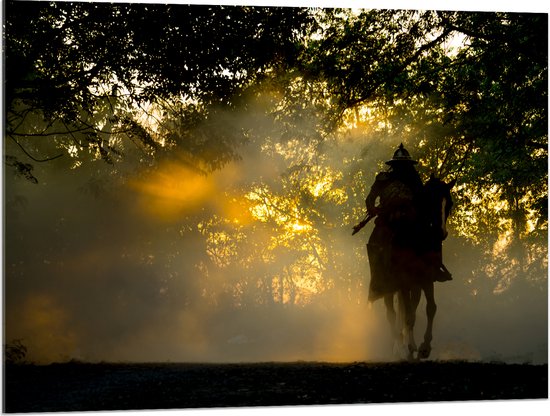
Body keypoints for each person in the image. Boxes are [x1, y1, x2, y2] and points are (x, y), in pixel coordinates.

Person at [364, 143, 424, 301]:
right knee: (375, 242)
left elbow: (422, 199)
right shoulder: (383, 179)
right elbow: (370, 198)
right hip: (387, 219)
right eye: (399, 165)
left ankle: (433, 269)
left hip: (411, 219)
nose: (402, 168)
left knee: (427, 238)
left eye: (405, 165)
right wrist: (372, 209)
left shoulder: (414, 179)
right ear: (394, 166)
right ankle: (377, 281)